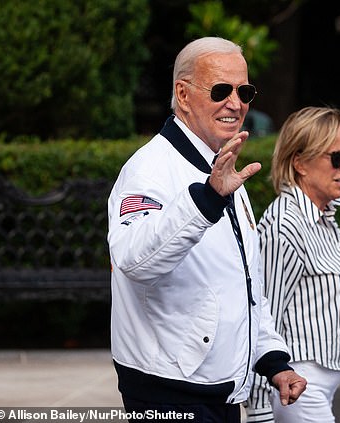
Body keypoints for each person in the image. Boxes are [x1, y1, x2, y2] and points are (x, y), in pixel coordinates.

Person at [107, 37, 306, 423]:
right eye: (220, 90)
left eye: (244, 90)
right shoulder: (148, 169)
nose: (236, 103)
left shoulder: (221, 166)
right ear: (182, 95)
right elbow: (134, 260)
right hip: (167, 390)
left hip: (220, 391)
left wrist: (273, 361)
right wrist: (207, 200)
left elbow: (243, 284)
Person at [245, 106, 340, 422]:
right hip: (299, 391)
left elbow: (337, 305)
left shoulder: (322, 219)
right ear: (300, 163)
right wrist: (261, 413)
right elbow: (264, 318)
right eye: (336, 158)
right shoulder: (284, 226)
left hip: (320, 387)